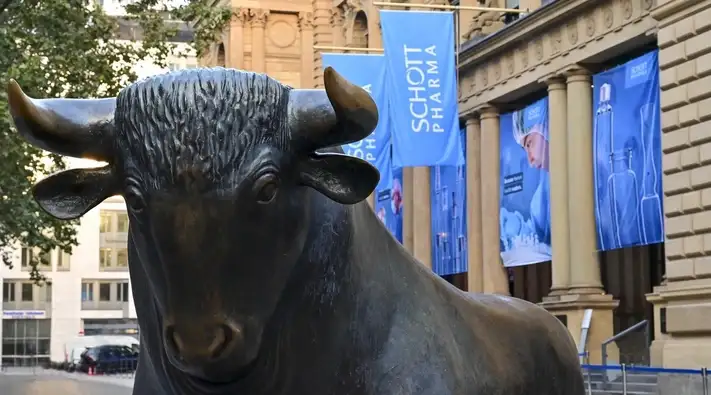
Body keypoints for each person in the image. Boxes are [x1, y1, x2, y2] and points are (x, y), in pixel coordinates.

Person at [512, 110, 552, 249]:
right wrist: (518, 227)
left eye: (529, 144)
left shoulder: (595, 173)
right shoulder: (539, 199)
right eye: (525, 149)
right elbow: (541, 244)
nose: (530, 160)